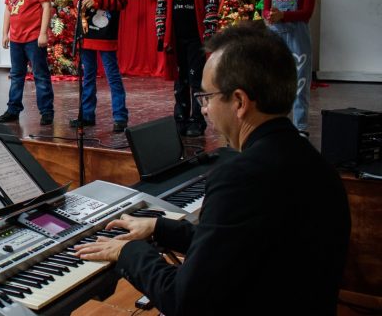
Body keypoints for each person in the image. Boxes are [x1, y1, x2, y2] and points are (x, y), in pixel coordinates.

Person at [75, 26, 350, 315]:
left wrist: (127, 252)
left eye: (207, 97)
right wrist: (159, 228)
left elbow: (184, 301)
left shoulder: (241, 177)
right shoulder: (317, 165)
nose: (204, 109)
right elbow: (239, 242)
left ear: (239, 102)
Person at [155, 0, 219, 137]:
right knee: (179, 79)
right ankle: (180, 118)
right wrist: (161, 31)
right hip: (176, 37)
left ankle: (197, 121)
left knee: (195, 80)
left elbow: (211, 2)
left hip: (196, 37)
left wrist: (209, 31)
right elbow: (162, 6)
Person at [71, 0, 129, 133]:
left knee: (112, 75)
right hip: (86, 32)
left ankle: (120, 116)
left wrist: (98, 1)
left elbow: (122, 1)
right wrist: (78, 4)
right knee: (87, 75)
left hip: (105, 33)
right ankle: (87, 115)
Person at [264, 0, 319, 138]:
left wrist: (284, 15)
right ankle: (274, 124)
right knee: (274, 81)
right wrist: (270, 16)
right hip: (275, 37)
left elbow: (306, 13)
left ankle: (300, 127)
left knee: (300, 82)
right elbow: (266, 9)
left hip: (298, 39)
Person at [0, 0, 55, 126]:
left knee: (40, 75)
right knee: (16, 75)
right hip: (16, 38)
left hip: (33, 38)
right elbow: (8, 8)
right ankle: (13, 109)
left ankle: (46, 110)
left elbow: (47, 6)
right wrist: (5, 33)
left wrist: (43, 33)